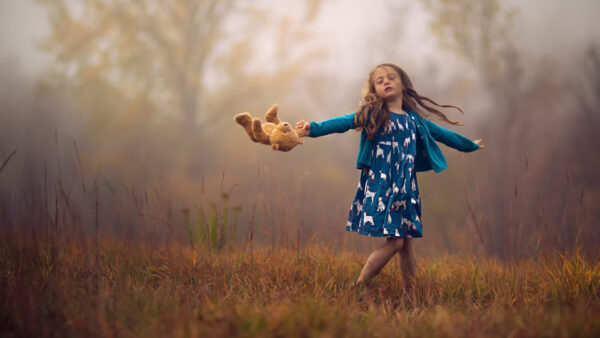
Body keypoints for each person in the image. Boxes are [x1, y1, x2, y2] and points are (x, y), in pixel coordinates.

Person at [295, 63, 484, 288]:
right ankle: (357, 285)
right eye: (380, 80)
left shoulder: (415, 120)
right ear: (374, 90)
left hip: (405, 189)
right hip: (381, 186)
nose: (386, 81)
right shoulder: (374, 114)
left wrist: (469, 145)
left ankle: (411, 297)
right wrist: (312, 128)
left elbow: (443, 135)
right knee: (396, 242)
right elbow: (343, 122)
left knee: (407, 243)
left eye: (391, 77)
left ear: (403, 84)